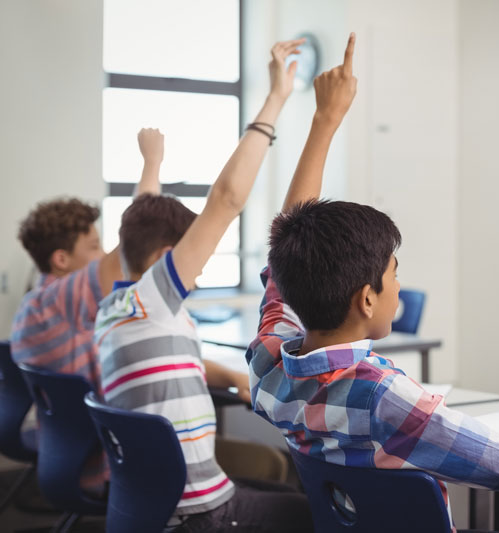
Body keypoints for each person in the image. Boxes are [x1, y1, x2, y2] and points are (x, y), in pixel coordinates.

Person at [247, 33, 499, 531]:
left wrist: (326, 121)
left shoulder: (268, 362)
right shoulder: (381, 395)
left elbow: (281, 259)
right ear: (366, 299)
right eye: (395, 275)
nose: (398, 285)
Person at [94, 39, 313, 532]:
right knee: (320, 513)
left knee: (280, 489)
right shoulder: (156, 297)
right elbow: (228, 198)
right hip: (202, 515)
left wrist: (152, 164)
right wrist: (276, 97)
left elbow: (139, 227)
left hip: (151, 508)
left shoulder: (115, 306)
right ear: (162, 261)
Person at [11, 127, 165, 493]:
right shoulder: (53, 303)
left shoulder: (42, 306)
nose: (103, 256)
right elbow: (132, 248)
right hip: (105, 469)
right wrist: (152, 163)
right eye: (95, 246)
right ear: (61, 260)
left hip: (70, 457)